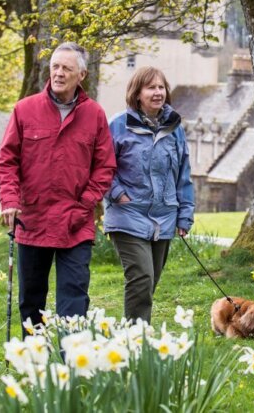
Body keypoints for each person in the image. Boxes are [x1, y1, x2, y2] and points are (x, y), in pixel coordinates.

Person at [0, 42, 116, 336]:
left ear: (82, 75)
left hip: (75, 223)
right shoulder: (25, 110)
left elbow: (105, 167)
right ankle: (33, 365)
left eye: (66, 69)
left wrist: (85, 203)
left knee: (74, 301)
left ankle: (71, 367)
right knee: (31, 301)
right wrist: (10, 200)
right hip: (32, 220)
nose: (59, 74)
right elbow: (6, 160)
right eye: (55, 67)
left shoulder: (95, 115)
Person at [103, 66, 194, 323]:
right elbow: (101, 167)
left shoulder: (175, 127)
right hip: (128, 214)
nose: (157, 92)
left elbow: (183, 174)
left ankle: (135, 336)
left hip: (164, 217)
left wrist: (184, 215)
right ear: (137, 93)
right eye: (151, 87)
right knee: (141, 277)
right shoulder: (118, 125)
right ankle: (136, 341)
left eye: (161, 87)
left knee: (150, 281)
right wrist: (117, 194)